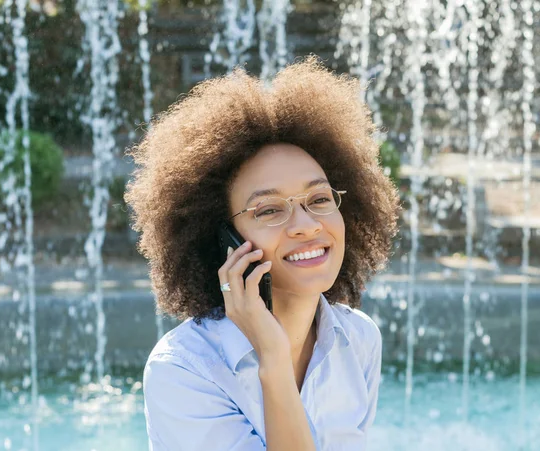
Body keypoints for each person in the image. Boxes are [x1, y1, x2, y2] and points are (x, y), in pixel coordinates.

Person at [125, 56, 400, 451]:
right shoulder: (184, 370)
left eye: (319, 199)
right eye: (269, 210)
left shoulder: (357, 339)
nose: (305, 224)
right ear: (222, 239)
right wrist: (272, 358)